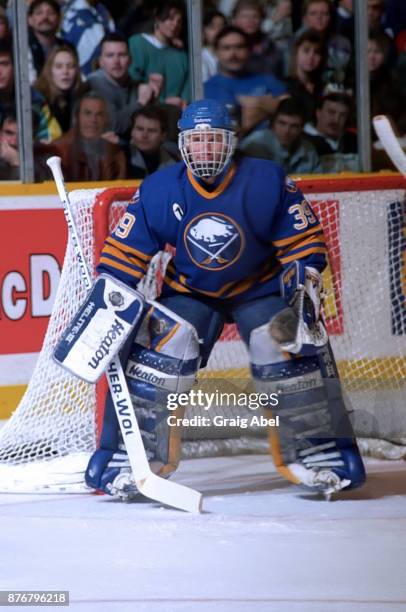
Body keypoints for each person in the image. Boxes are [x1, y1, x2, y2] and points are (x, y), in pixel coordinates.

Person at [84, 98, 366, 501]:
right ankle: (131, 459)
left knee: (284, 341)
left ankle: (321, 453)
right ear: (181, 146)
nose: (205, 150)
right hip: (190, 291)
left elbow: (304, 243)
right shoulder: (160, 188)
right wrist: (110, 294)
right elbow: (123, 254)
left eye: (214, 140)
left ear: (231, 142)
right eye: (196, 142)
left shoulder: (267, 180)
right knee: (163, 342)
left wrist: (303, 282)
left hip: (260, 287)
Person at [204, 26, 288, 132]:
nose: (233, 54)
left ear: (249, 50)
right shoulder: (207, 88)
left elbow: (289, 112)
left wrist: (253, 104)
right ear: (216, 52)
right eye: (226, 48)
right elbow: (232, 128)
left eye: (239, 47)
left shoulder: (268, 80)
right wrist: (268, 106)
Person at [87, 33, 161, 141]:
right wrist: (141, 103)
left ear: (130, 60)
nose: (116, 61)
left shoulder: (135, 85)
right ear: (100, 61)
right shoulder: (93, 84)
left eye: (122, 55)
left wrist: (154, 98)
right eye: (110, 55)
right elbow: (114, 126)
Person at [50, 91, 126, 181]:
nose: (93, 120)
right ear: (77, 116)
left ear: (106, 120)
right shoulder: (57, 150)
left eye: (99, 114)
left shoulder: (116, 153)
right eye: (87, 113)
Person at [128, 0, 190, 109]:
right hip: (144, 109)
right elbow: (132, 79)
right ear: (158, 18)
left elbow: (187, 86)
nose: (175, 24)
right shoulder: (138, 43)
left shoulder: (181, 55)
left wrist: (183, 102)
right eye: (170, 18)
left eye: (179, 21)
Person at [240, 97, 321, 173]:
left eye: (294, 126)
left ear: (302, 128)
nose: (287, 131)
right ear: (273, 124)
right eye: (282, 123)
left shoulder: (309, 150)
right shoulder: (255, 144)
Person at [32, 44, 88, 141]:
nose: (65, 71)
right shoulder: (37, 101)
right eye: (59, 66)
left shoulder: (77, 99)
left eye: (70, 66)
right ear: (49, 71)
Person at [60, 0, 115, 77]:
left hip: (109, 70)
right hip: (81, 74)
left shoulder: (101, 9)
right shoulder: (65, 12)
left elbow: (113, 34)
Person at [126, 105, 178, 179]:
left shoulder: (174, 162)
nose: (144, 135)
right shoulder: (120, 157)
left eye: (151, 130)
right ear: (132, 131)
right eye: (140, 129)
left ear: (163, 136)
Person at [27, 0, 68, 85]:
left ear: (59, 18)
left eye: (51, 13)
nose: (45, 17)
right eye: (39, 13)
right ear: (30, 20)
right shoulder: (24, 47)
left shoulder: (67, 47)